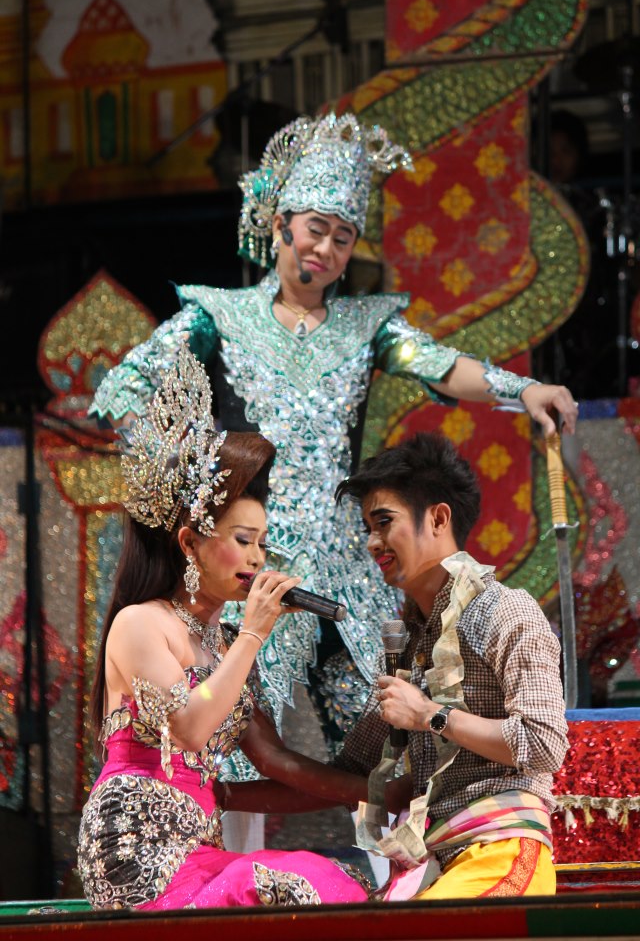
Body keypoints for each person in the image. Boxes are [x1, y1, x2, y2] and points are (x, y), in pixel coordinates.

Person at [90, 112, 578, 766]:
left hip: (344, 565)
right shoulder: (220, 316)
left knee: (381, 738)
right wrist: (185, 473)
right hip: (247, 560)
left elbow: (440, 365)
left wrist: (526, 390)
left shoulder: (366, 325)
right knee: (228, 742)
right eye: (316, 229)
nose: (325, 248)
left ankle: (389, 835)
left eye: (342, 238)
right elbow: (123, 388)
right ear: (280, 225)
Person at [77, 345, 371, 910]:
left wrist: (378, 791)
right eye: (243, 540)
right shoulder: (140, 623)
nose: (258, 559)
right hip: (134, 847)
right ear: (189, 542)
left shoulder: (227, 644)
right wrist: (255, 634)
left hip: (201, 845)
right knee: (290, 888)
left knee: (332, 882)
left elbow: (276, 764)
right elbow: (189, 727)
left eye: (262, 543)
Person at [217, 432, 569, 900]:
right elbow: (347, 780)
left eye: (384, 523)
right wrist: (216, 795)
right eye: (367, 528)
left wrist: (431, 715)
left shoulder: (505, 610)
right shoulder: (409, 642)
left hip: (501, 850)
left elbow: (542, 744)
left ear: (438, 518)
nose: (372, 543)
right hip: (437, 860)